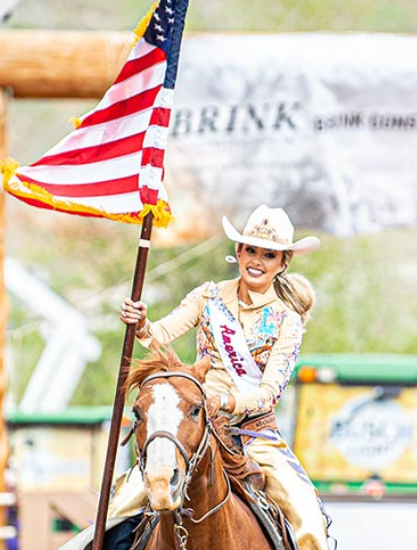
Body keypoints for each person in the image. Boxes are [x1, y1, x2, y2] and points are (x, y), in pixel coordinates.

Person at [111, 204, 332, 550]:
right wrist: (141, 324)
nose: (257, 261)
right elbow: (162, 334)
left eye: (269, 255)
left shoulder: (287, 319)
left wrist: (225, 402)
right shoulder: (208, 296)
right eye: (252, 251)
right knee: (117, 507)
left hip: (254, 433)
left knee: (307, 518)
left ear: (282, 263)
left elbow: (268, 393)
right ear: (239, 252)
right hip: (195, 427)